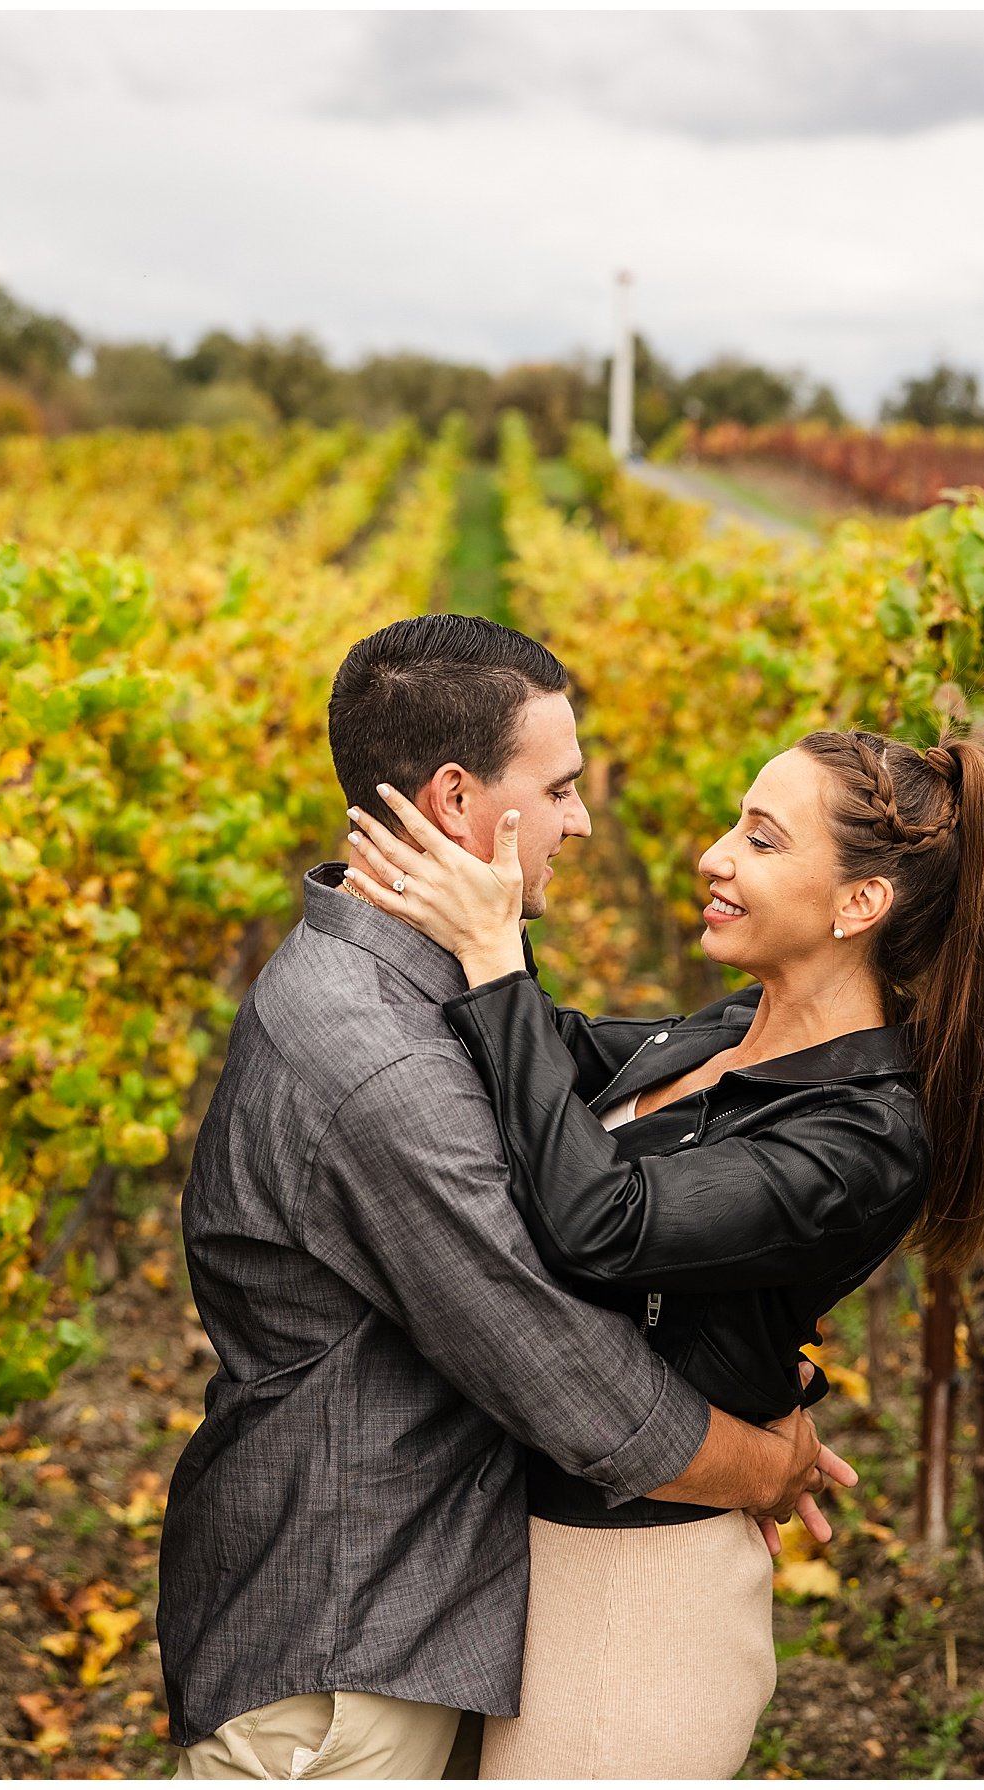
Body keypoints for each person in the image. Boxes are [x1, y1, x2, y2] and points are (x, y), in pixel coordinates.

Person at [156, 616, 851, 1782]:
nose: (583, 821)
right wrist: (763, 1466)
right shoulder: (376, 1053)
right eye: (562, 786)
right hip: (341, 1659)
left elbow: (588, 1066)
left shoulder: (405, 980)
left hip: (378, 1611)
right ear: (455, 798)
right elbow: (557, 1368)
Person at [343, 722, 984, 1779]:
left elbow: (601, 1218)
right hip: (528, 1540)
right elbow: (551, 1054)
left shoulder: (865, 1137)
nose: (713, 852)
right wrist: (462, 904)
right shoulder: (733, 1031)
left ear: (859, 905)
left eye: (760, 839)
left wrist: (492, 957)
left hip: (635, 1591)